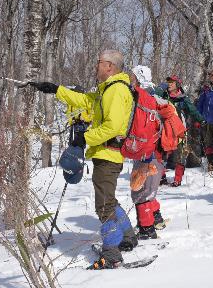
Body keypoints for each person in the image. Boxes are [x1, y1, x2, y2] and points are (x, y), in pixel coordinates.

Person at [27, 49, 138, 270]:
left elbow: (113, 126)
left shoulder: (116, 90)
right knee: (110, 201)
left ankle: (112, 255)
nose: (95, 66)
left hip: (108, 155)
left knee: (104, 207)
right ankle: (128, 236)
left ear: (110, 66)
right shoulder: (107, 89)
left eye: (99, 63)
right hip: (105, 154)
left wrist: (83, 137)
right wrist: (56, 89)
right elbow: (84, 100)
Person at [128, 66, 167, 237]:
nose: (131, 79)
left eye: (133, 76)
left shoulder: (140, 96)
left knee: (139, 190)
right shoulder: (157, 95)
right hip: (157, 151)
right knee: (149, 188)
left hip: (146, 151)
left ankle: (146, 229)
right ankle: (155, 218)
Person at [155, 74, 204, 186]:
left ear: (177, 85)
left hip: (179, 131)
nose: (169, 84)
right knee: (160, 153)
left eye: (172, 82)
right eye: (168, 82)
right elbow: (153, 96)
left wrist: (201, 120)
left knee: (180, 154)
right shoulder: (163, 95)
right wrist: (159, 88)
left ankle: (177, 180)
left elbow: (193, 110)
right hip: (164, 130)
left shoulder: (183, 99)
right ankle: (162, 177)